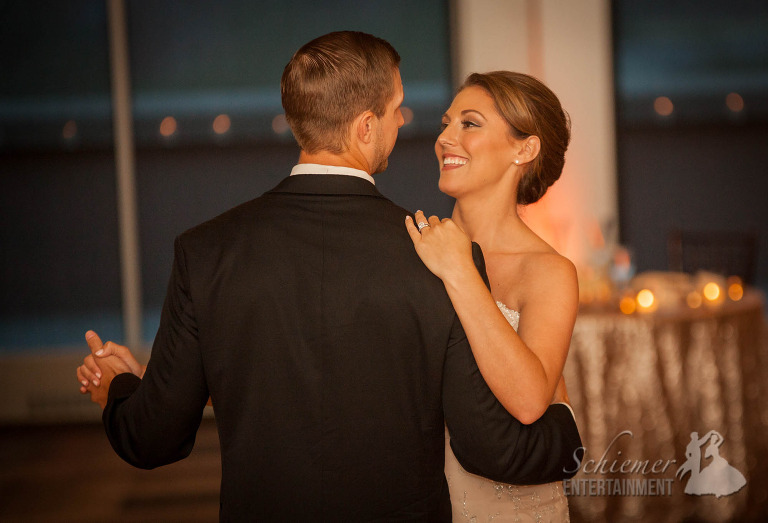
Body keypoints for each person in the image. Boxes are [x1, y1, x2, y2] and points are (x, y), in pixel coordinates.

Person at [76, 32, 581, 521]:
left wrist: (128, 390)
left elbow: (155, 435)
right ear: (365, 127)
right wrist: (568, 431)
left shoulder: (206, 249)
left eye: (466, 123)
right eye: (397, 110)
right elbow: (484, 437)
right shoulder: (429, 256)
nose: (420, 129)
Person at [405, 71, 578, 521]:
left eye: (469, 123)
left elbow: (528, 401)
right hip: (411, 494)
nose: (445, 137)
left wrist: (461, 270)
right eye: (446, 123)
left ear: (524, 148)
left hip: (508, 504)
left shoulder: (548, 271)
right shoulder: (412, 247)